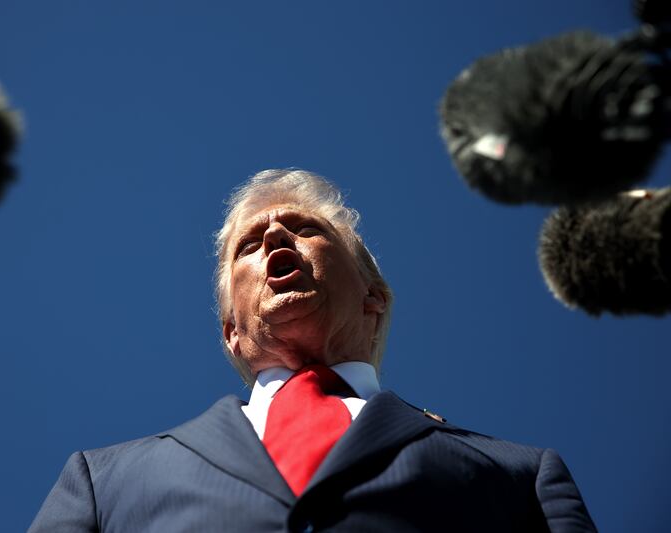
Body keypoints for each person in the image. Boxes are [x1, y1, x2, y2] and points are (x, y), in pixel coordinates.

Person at [29, 169, 596, 532]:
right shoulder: (101, 482)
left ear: (373, 296)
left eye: (305, 229)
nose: (275, 238)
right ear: (231, 329)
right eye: (250, 245)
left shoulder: (520, 475)